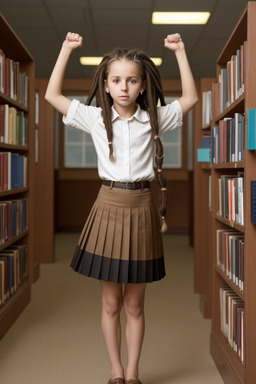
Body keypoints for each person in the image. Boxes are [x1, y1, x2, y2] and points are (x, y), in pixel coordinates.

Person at [45, 32, 198, 384]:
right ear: (107, 85)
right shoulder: (96, 118)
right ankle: (115, 372)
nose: (124, 87)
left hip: (143, 207)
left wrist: (180, 51)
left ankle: (132, 375)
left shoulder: (155, 119)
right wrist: (66, 49)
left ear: (143, 85)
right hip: (108, 206)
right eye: (116, 80)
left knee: (134, 305)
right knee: (111, 304)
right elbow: (52, 95)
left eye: (131, 80)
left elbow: (190, 97)